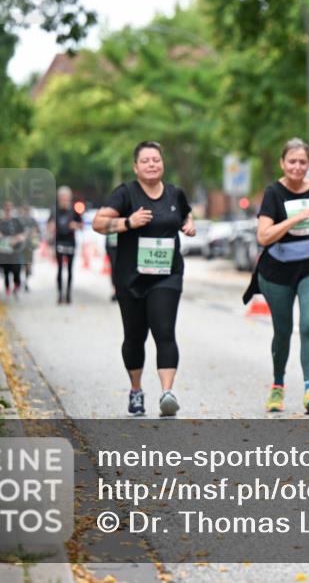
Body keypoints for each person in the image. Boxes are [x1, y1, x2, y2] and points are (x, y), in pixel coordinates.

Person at [93, 141, 195, 417]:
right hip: (131, 278)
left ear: (163, 164)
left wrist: (189, 223)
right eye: (146, 161)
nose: (152, 164)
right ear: (135, 167)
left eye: (156, 160)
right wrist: (128, 222)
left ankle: (167, 394)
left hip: (167, 276)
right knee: (135, 337)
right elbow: (99, 223)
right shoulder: (126, 193)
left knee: (164, 331)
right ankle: (136, 390)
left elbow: (186, 213)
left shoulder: (175, 193)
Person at [242, 138, 309, 415]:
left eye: (303, 162)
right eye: (292, 161)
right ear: (282, 163)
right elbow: (264, 236)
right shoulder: (274, 193)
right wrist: (295, 218)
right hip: (277, 271)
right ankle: (278, 386)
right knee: (282, 331)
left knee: (308, 325)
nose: (297, 167)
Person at [49, 187, 82, 304]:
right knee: (59, 269)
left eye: (66, 198)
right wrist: (51, 228)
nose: (64, 201)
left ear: (69, 198)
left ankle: (68, 294)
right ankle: (59, 295)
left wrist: (76, 225)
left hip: (70, 242)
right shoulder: (54, 210)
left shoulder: (74, 211)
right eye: (62, 198)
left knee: (69, 270)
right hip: (59, 242)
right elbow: (49, 226)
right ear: (58, 199)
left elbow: (81, 225)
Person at [0, 201, 26, 298]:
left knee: (16, 269)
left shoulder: (17, 222)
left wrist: (17, 238)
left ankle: (16, 285)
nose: (8, 210)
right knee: (6, 271)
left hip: (15, 250)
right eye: (6, 208)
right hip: (3, 251)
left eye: (10, 208)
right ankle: (7, 288)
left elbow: (23, 234)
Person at [20, 204, 39, 291]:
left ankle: (26, 281)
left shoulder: (32, 221)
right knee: (24, 264)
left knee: (28, 263)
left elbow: (37, 232)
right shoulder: (20, 221)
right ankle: (24, 280)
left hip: (29, 246)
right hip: (21, 246)